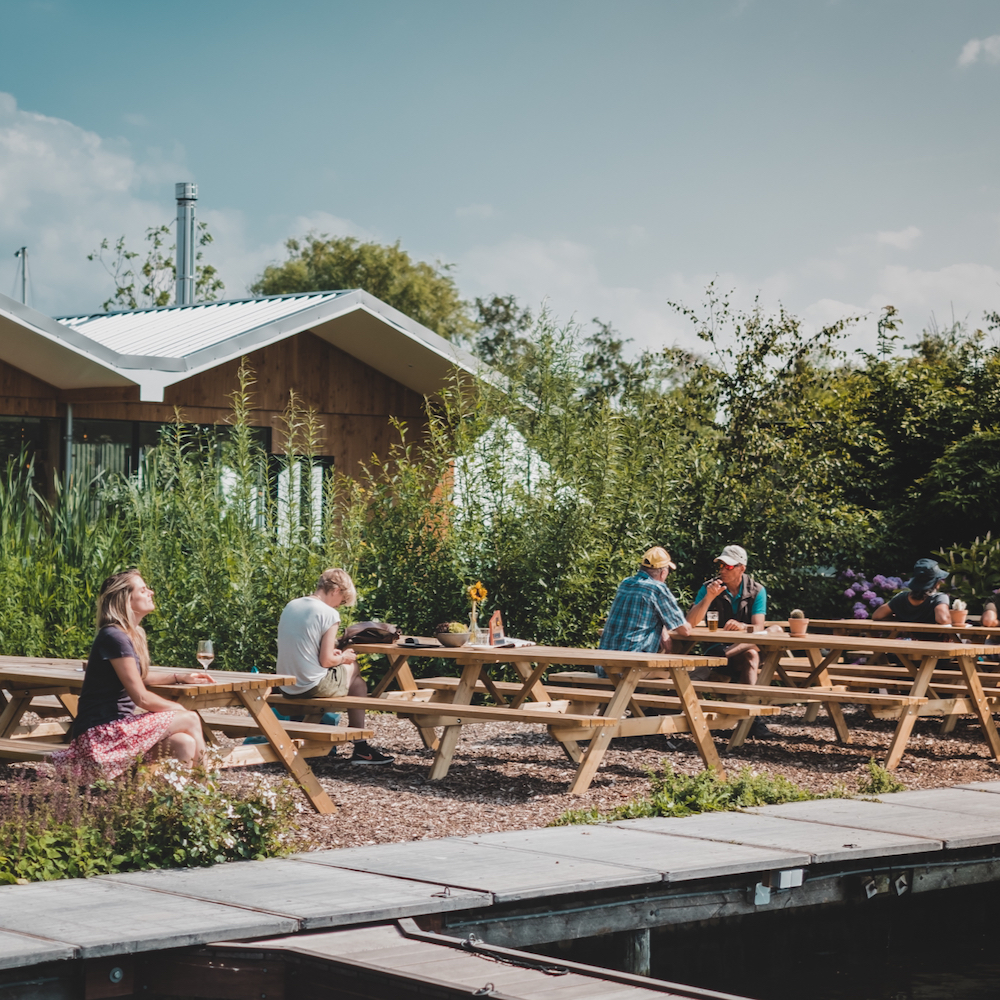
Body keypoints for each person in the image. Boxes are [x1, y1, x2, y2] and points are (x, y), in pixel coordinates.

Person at [53, 571, 212, 780]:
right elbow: (142, 697)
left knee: (184, 742)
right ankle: (207, 790)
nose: (151, 592)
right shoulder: (114, 636)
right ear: (126, 599)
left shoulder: (131, 634)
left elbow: (138, 677)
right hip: (100, 735)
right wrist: (180, 711)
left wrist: (179, 677)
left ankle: (176, 803)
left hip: (116, 731)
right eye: (143, 590)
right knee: (190, 718)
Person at [277, 568, 393, 765]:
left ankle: (302, 728)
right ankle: (361, 747)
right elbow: (326, 661)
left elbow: (304, 648)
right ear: (336, 590)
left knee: (346, 670)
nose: (340, 605)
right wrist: (344, 657)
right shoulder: (329, 613)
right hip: (310, 686)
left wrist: (333, 655)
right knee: (356, 674)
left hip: (287, 686)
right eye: (342, 600)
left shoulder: (291, 605)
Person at [686, 544, 767, 687]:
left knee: (752, 653)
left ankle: (748, 701)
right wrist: (709, 598)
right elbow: (689, 622)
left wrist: (742, 626)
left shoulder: (757, 591)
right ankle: (748, 701)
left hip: (740, 651)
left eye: (728, 566)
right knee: (754, 652)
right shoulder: (709, 587)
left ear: (742, 568)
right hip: (717, 647)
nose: (722, 570)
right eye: (721, 565)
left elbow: (758, 627)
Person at [598, 546, 693, 658]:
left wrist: (662, 630)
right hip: (632, 665)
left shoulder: (626, 583)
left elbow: (637, 619)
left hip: (604, 664)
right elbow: (684, 630)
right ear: (663, 573)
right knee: (692, 672)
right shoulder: (657, 589)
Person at [872, 559, 950, 626]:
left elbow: (877, 615)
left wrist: (899, 619)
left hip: (906, 641)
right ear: (936, 583)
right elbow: (943, 619)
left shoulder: (901, 598)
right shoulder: (938, 598)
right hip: (933, 642)